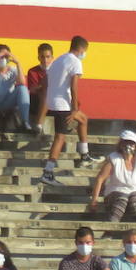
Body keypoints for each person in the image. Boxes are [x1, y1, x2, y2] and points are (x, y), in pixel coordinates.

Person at [37, 36, 94, 186]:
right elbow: (75, 86)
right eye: (85, 51)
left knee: (83, 119)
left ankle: (84, 155)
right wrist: (74, 108)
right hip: (63, 105)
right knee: (60, 138)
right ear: (82, 49)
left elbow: (45, 81)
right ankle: (48, 173)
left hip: (54, 101)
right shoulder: (76, 62)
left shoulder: (59, 60)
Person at [88, 130, 136, 223]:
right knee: (122, 199)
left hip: (135, 192)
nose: (128, 146)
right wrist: (94, 200)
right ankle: (110, 230)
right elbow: (100, 178)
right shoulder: (114, 158)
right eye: (126, 142)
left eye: (131, 143)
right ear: (120, 144)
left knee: (135, 200)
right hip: (115, 192)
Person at [25, 44, 54, 125]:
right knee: (45, 92)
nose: (45, 60)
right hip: (37, 103)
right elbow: (33, 89)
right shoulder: (32, 71)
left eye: (48, 57)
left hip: (53, 103)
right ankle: (39, 124)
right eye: (42, 57)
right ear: (38, 58)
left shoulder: (56, 71)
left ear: (52, 57)